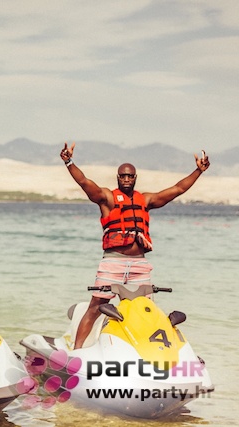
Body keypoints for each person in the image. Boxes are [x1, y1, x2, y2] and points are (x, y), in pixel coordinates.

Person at [60, 142, 210, 349]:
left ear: (135, 178)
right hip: (113, 262)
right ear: (118, 177)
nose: (126, 179)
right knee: (96, 306)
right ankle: (76, 351)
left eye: (130, 176)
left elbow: (178, 189)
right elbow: (84, 182)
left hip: (140, 265)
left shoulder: (145, 200)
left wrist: (198, 171)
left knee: (146, 309)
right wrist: (69, 161)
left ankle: (147, 351)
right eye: (123, 176)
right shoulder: (107, 198)